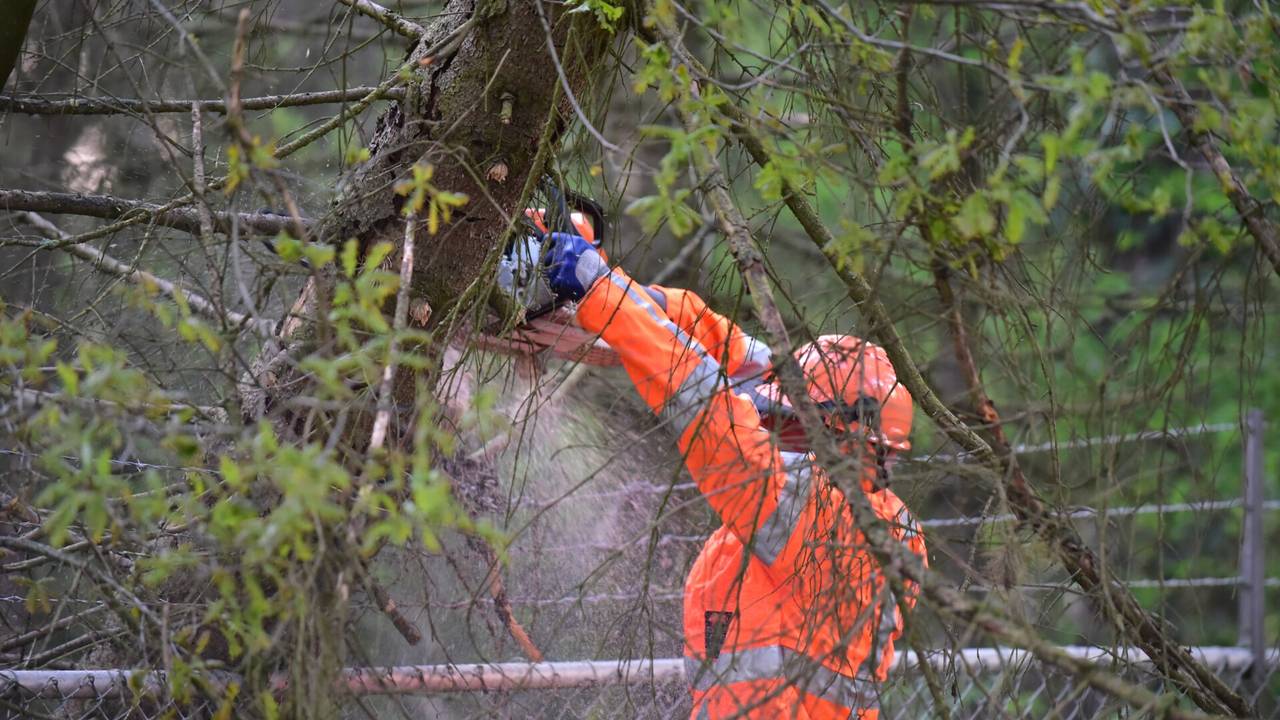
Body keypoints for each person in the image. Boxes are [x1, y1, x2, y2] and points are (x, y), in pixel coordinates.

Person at [543, 232, 928, 719]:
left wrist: (602, 293)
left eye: (794, 423)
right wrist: (628, 292)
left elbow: (704, 401)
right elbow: (744, 358)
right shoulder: (886, 524)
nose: (775, 426)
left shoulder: (810, 511)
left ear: (844, 438)